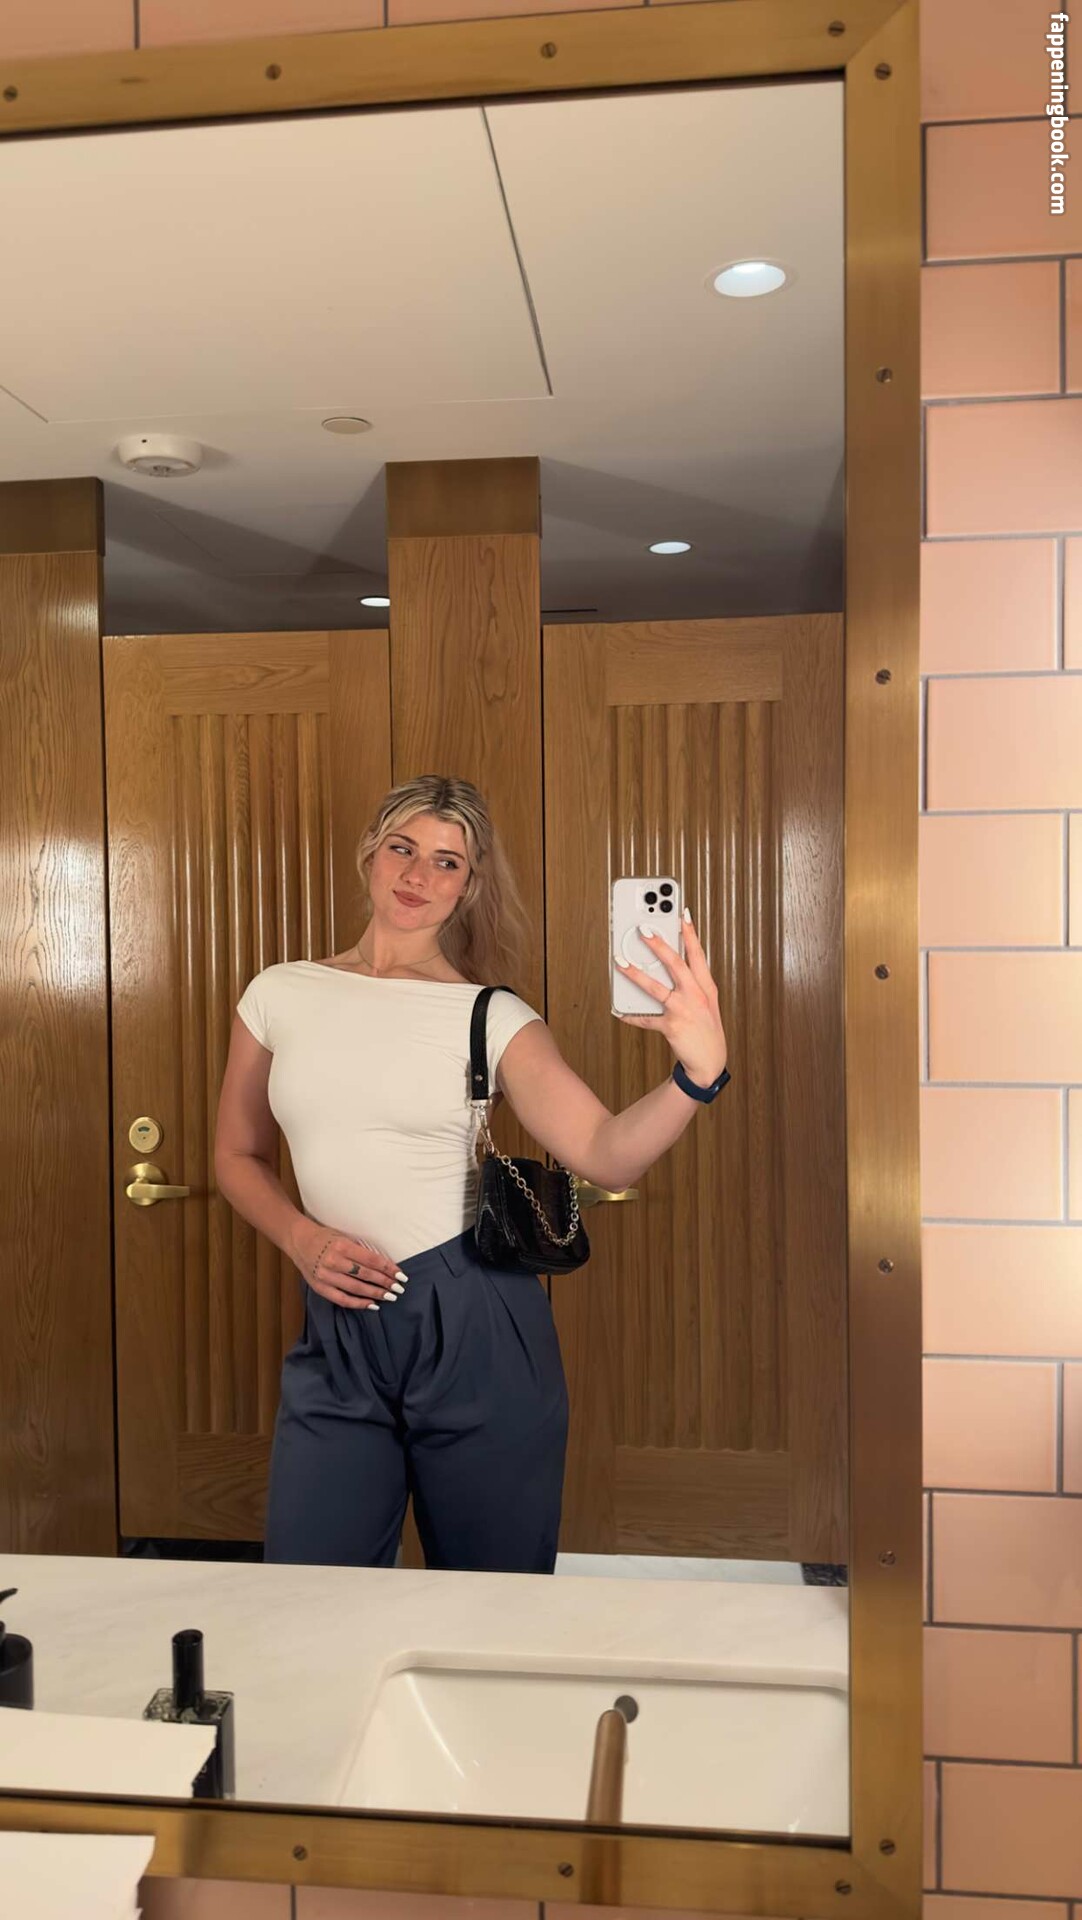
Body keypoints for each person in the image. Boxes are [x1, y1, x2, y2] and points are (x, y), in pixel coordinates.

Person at [214, 773, 729, 1574]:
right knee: (309, 1592)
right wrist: (300, 1239)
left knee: (494, 1599)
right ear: (370, 854)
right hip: (338, 1324)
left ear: (470, 884)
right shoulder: (279, 993)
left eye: (446, 862)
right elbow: (236, 1154)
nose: (418, 875)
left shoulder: (491, 1015)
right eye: (403, 849)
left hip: (475, 1321)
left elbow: (605, 1150)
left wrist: (697, 1074)